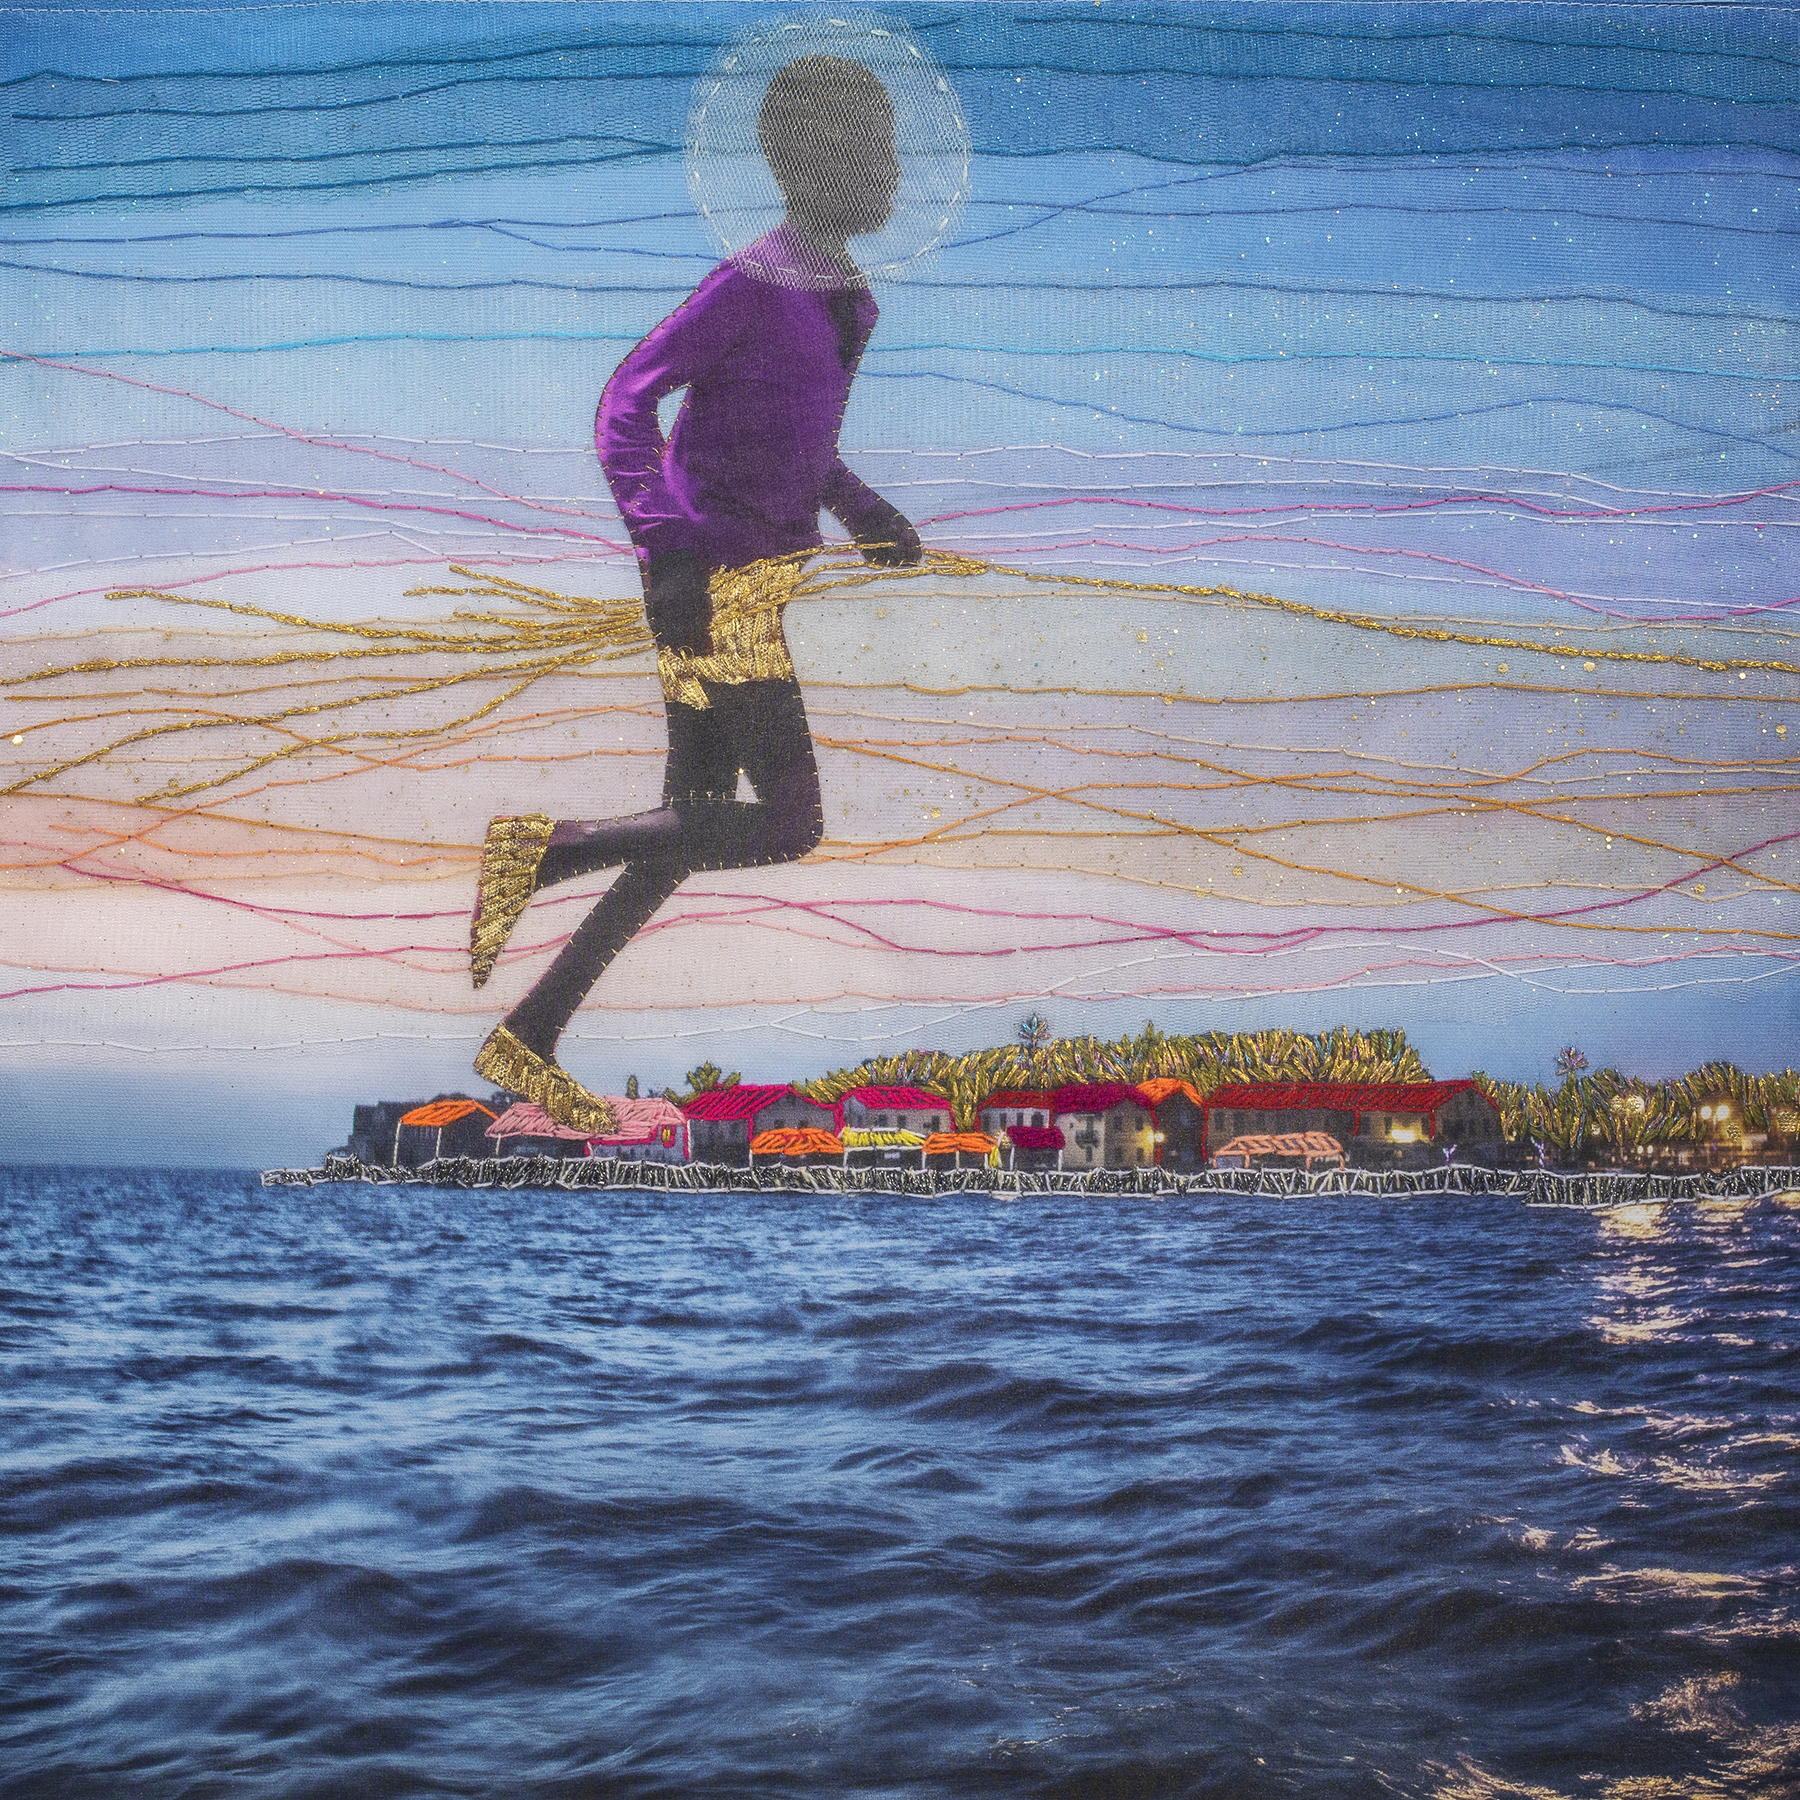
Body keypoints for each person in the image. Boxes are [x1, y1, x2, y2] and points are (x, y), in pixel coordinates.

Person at [468, 54, 922, 1130]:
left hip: (754, 581)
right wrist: (668, 552)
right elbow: (626, 399)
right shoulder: (749, 286)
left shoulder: (847, 307)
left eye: (894, 152)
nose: (893, 173)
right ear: (808, 164)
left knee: (691, 827)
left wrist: (864, 513)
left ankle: (529, 1034)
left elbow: (802, 446)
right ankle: (545, 851)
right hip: (713, 587)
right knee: (791, 822)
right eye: (872, 151)